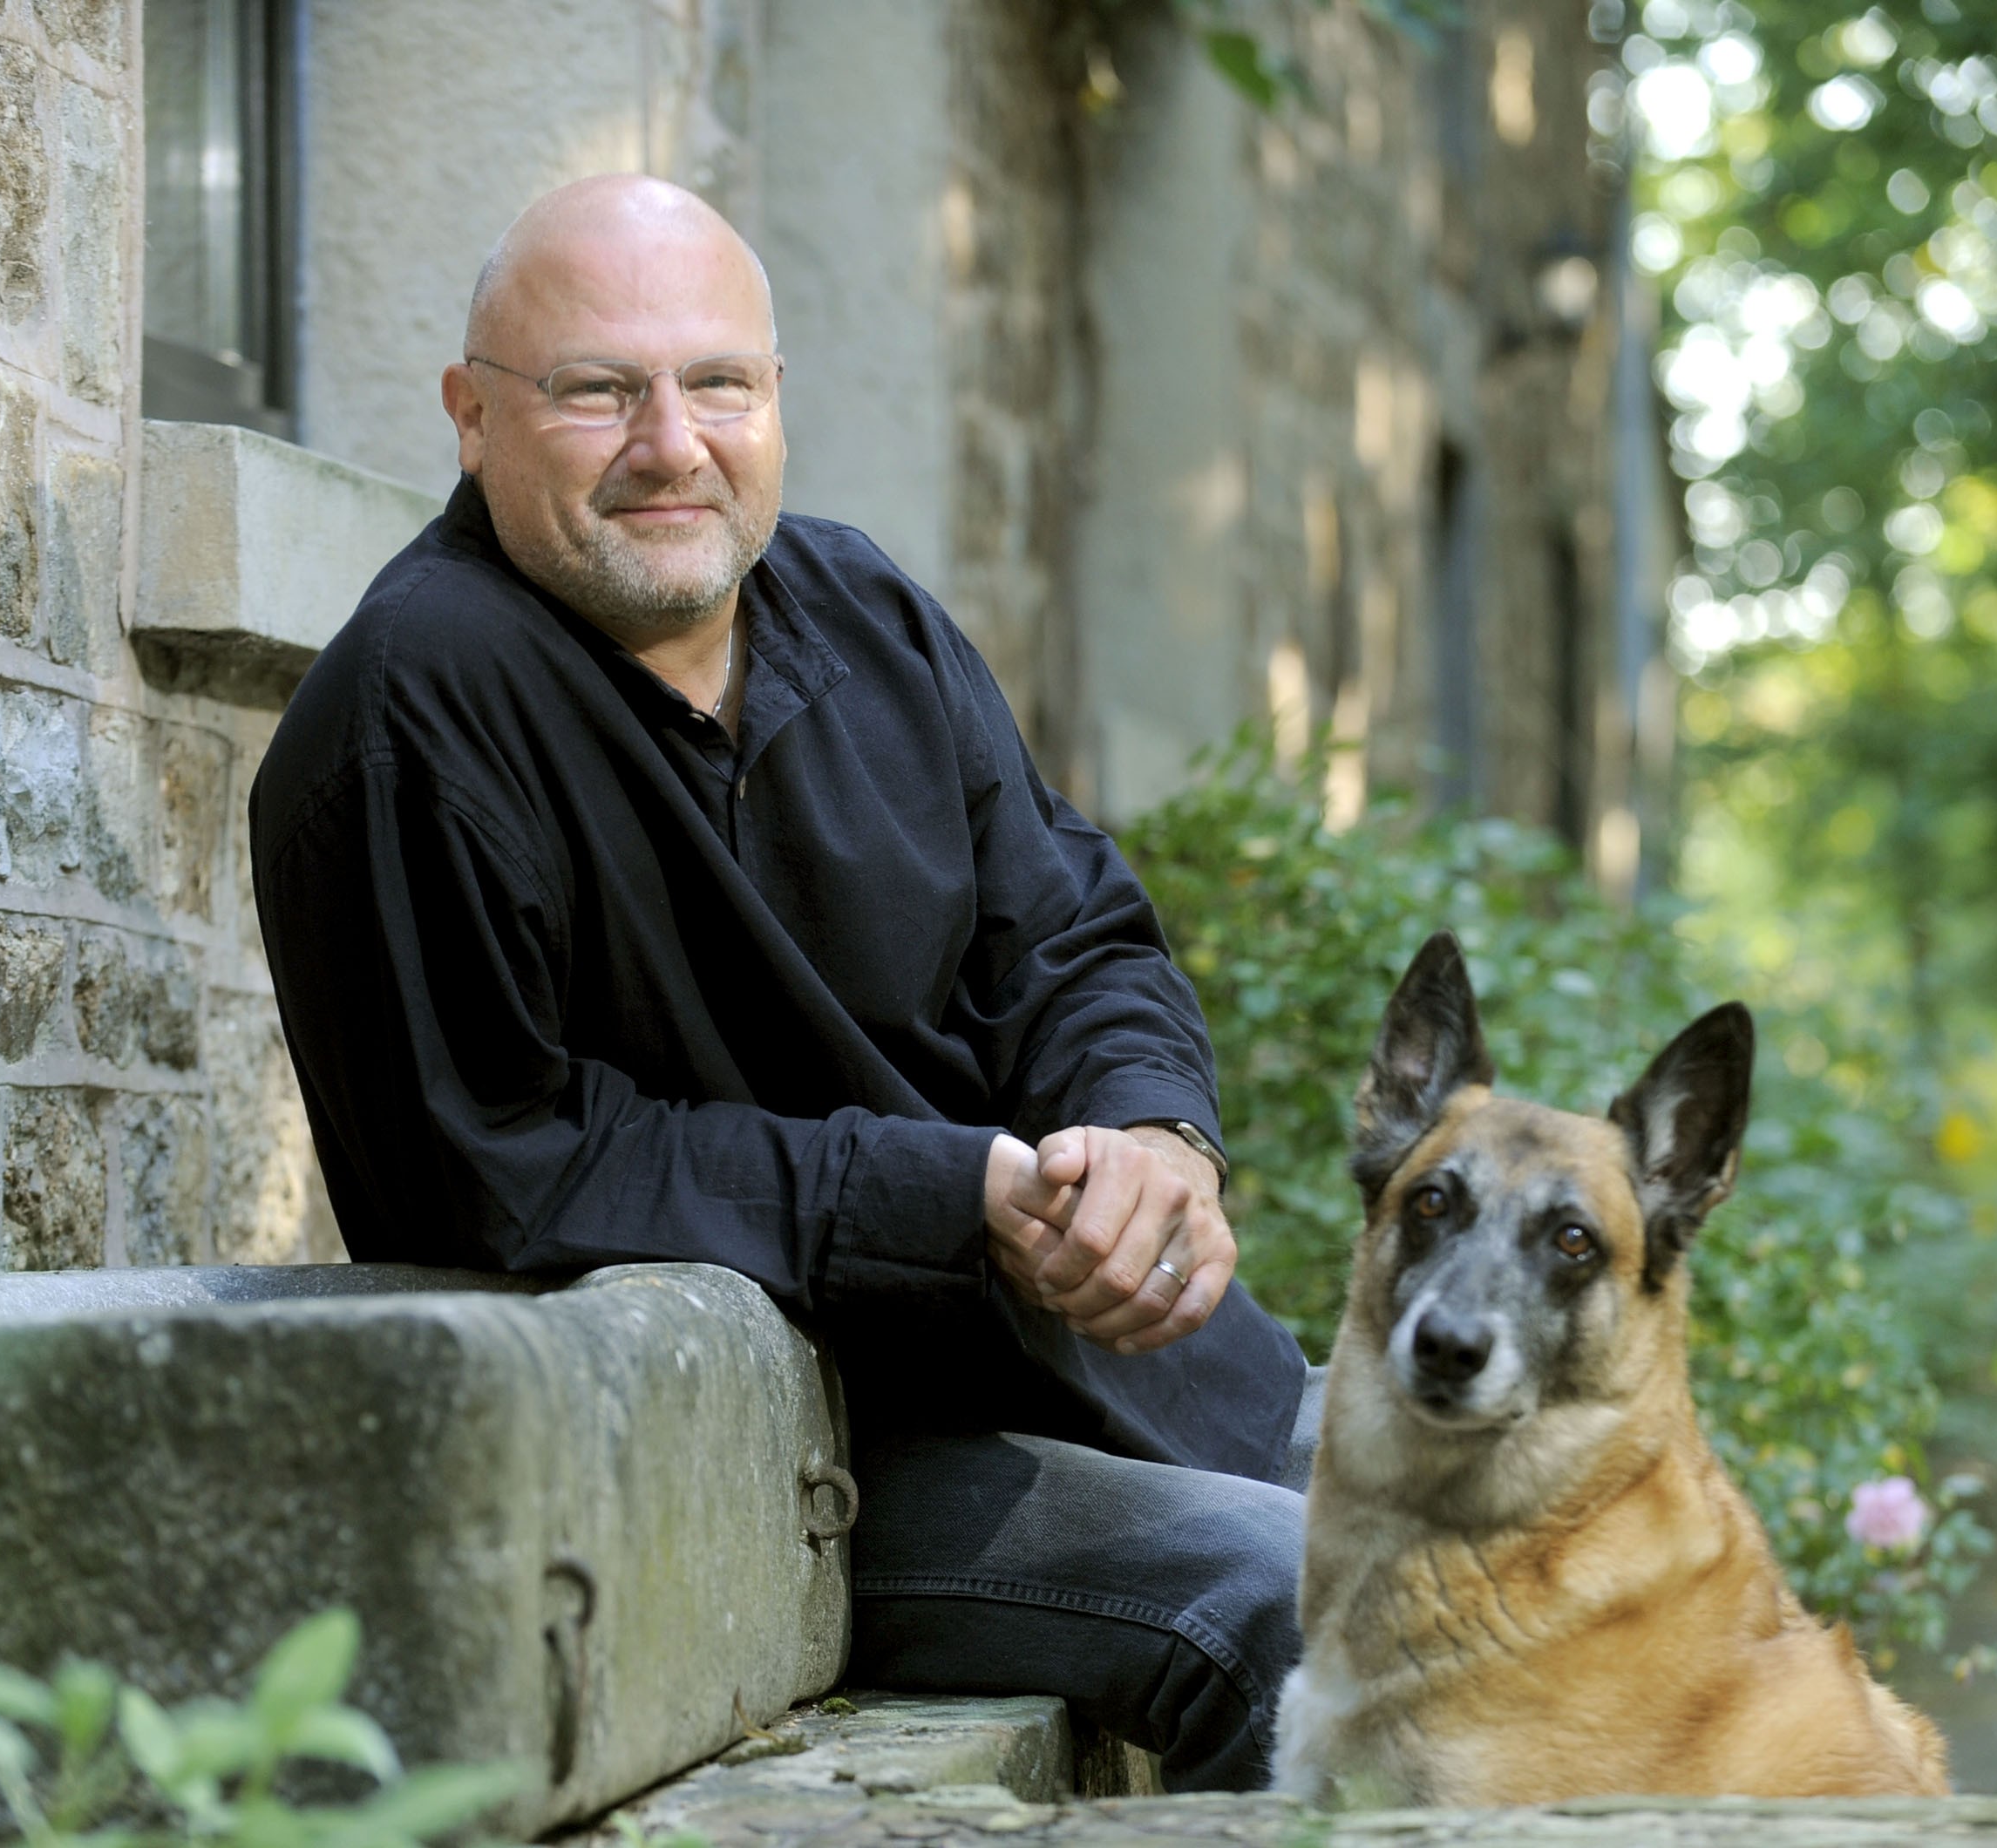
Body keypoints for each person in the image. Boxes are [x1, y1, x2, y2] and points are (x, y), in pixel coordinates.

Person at [248, 175, 1314, 1790]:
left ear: (773, 402)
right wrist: (935, 1194)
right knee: (1313, 1610)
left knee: (1552, 1511)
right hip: (791, 1460)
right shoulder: (413, 715)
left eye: (717, 385)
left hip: (1103, 1362)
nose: (672, 445)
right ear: (472, 416)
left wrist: (1151, 1130)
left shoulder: (864, 609)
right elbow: (502, 1177)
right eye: (600, 391)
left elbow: (1073, 932)